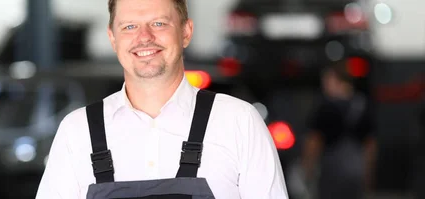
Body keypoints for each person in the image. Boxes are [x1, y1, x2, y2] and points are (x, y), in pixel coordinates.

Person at [35, 0, 288, 198]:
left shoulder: (239, 123)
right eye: (129, 26)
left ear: (186, 32)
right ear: (113, 38)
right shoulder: (77, 132)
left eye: (158, 23)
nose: (144, 37)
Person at [302, 61, 377, 199]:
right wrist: (368, 174)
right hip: (356, 172)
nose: (324, 85)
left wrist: (307, 169)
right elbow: (370, 145)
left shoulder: (325, 107)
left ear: (336, 79)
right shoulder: (363, 104)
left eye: (326, 80)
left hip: (331, 172)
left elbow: (314, 141)